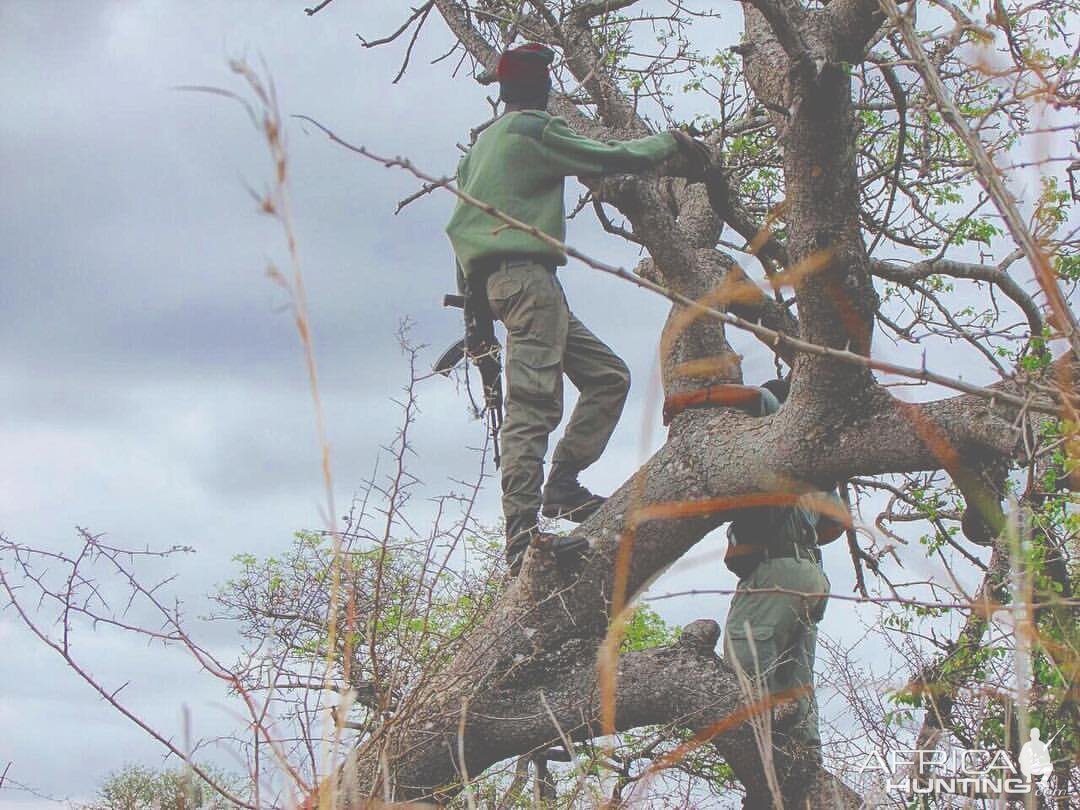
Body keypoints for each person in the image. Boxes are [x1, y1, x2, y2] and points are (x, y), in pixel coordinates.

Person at [445, 43, 709, 575]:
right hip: (528, 283)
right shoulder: (534, 131)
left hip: (504, 287)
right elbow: (612, 157)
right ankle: (521, 540)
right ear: (543, 91)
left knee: (608, 376)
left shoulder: (477, 150)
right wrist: (670, 144)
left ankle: (561, 484)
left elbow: (459, 233)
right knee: (532, 407)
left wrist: (475, 320)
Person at [720, 379, 845, 801]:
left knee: (744, 668)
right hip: (811, 575)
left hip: (776, 571)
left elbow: (756, 397)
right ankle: (805, 760)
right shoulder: (817, 461)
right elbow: (836, 523)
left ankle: (764, 774)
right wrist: (800, 533)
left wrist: (690, 400)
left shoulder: (776, 423)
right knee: (795, 677)